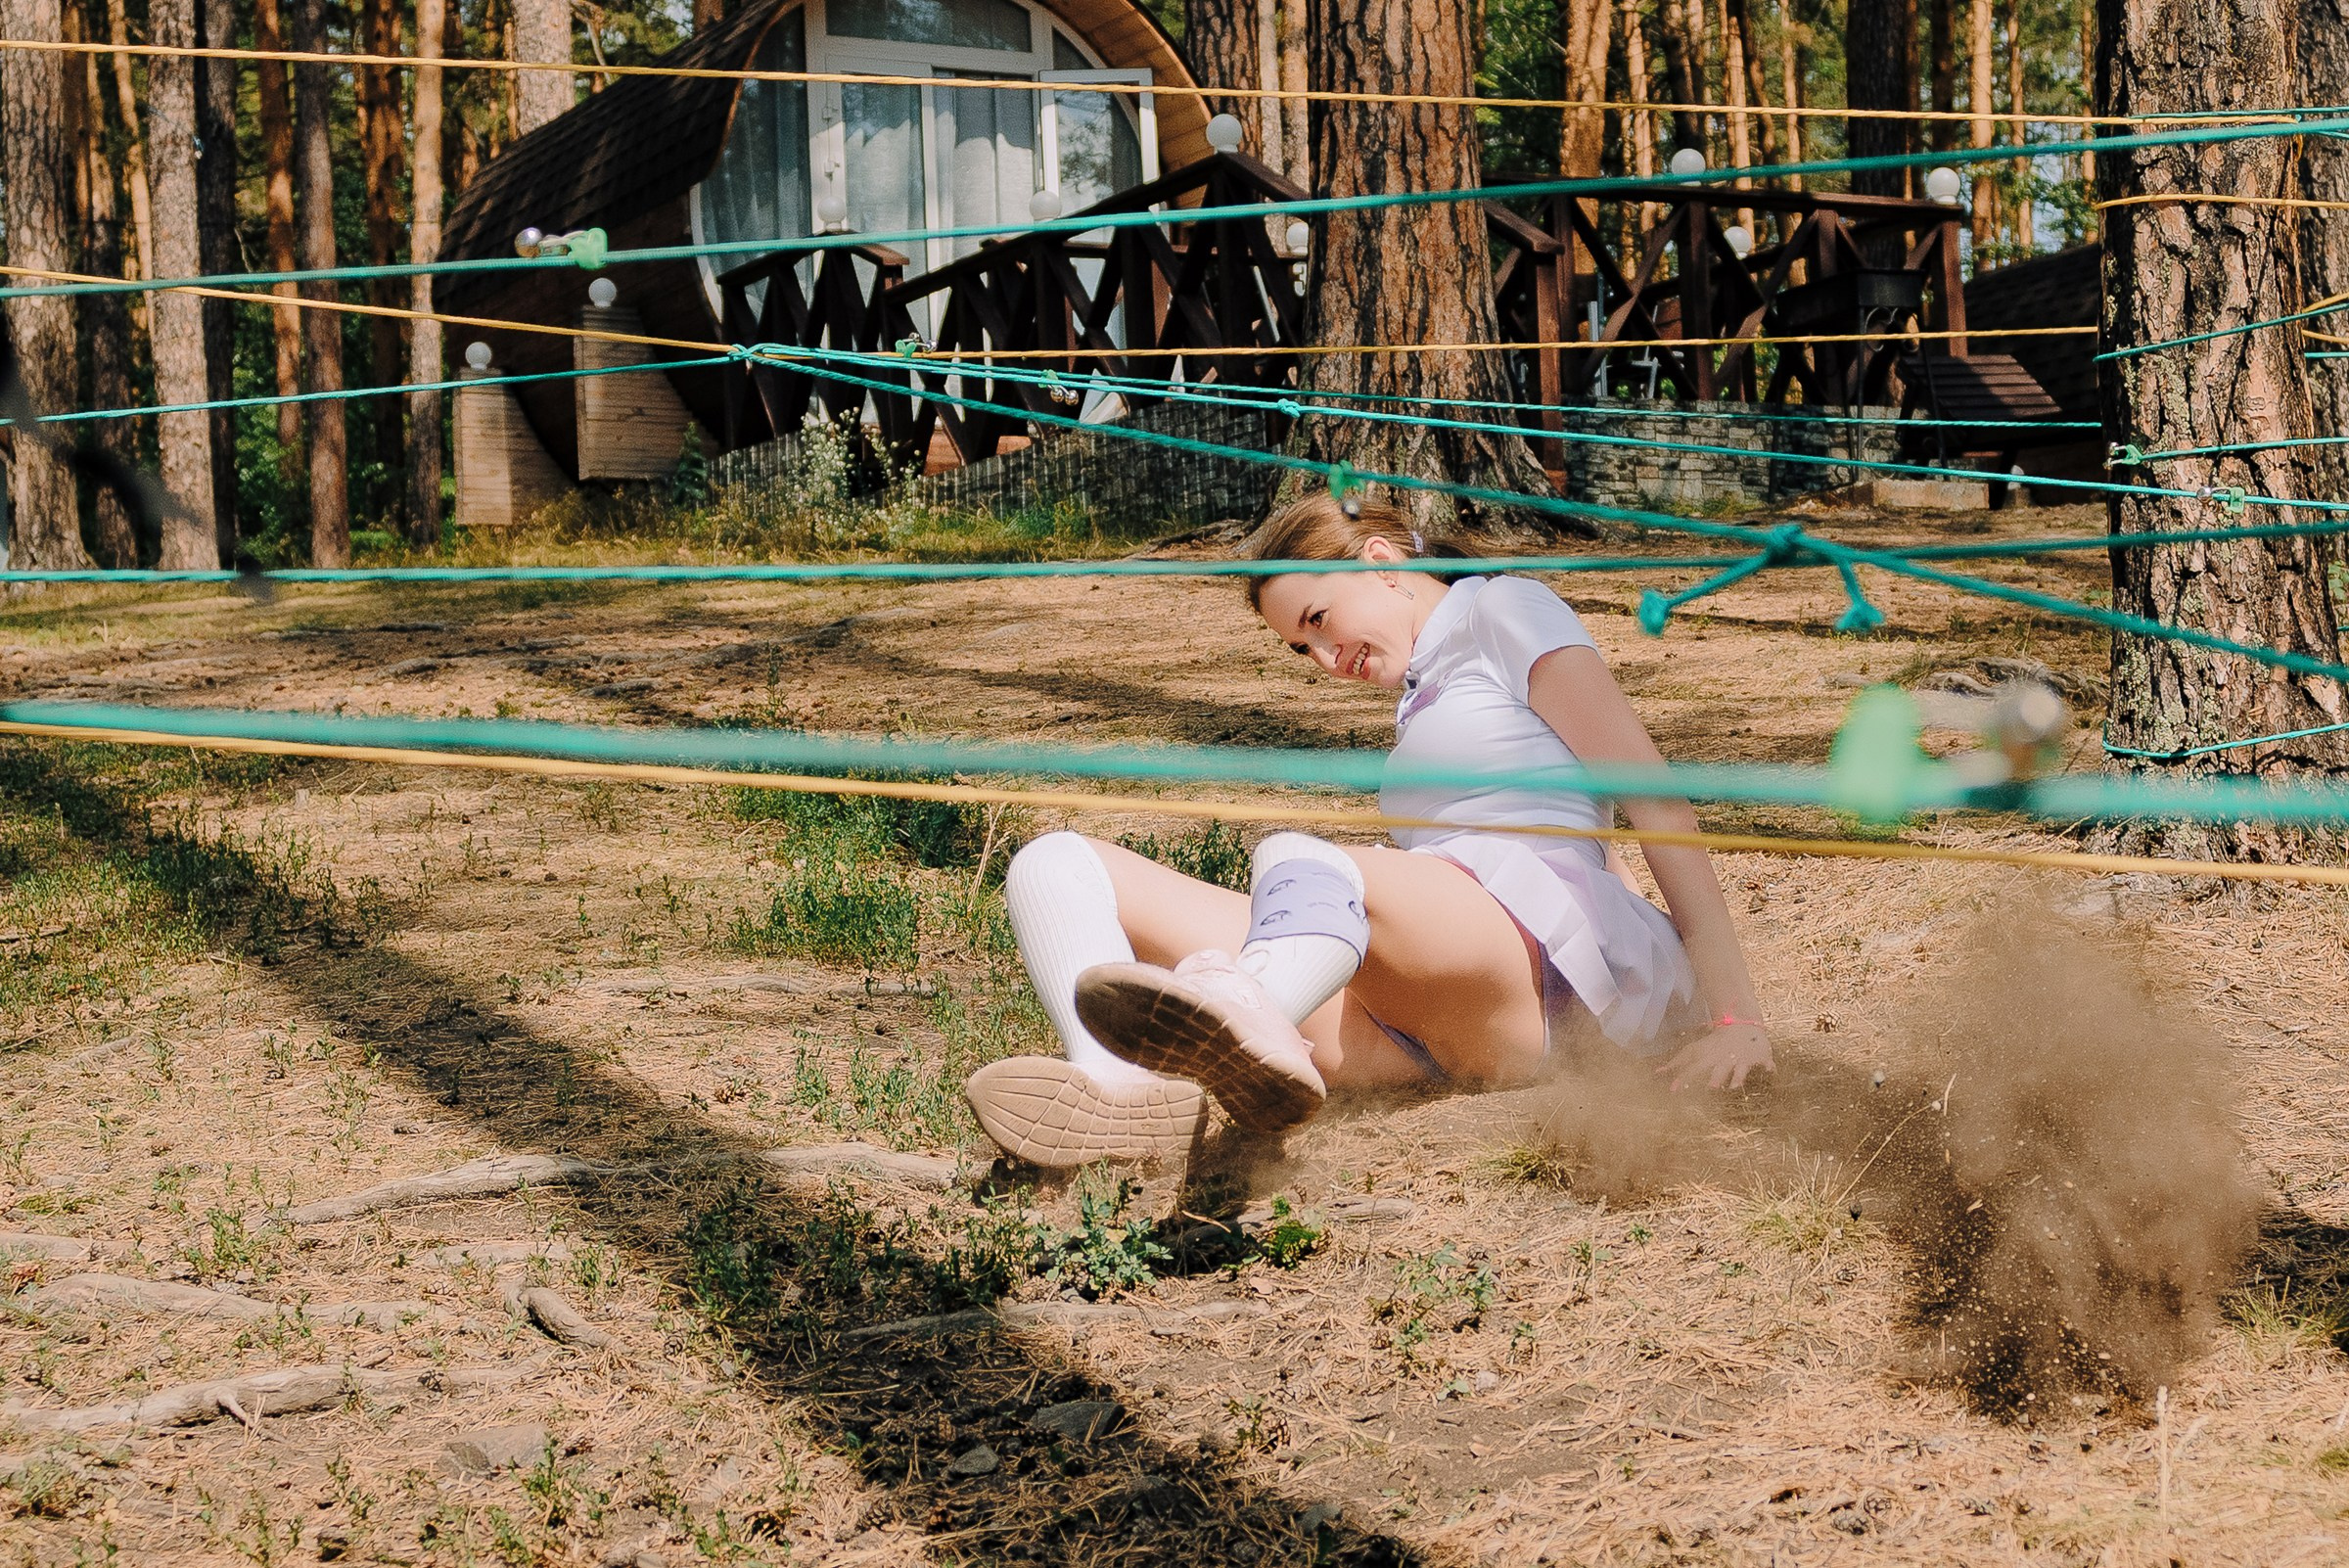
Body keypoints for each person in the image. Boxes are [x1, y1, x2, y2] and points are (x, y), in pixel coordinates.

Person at [963, 492, 1773, 1167]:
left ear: (1381, 565)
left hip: (1544, 983)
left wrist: (1735, 1012)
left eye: (1319, 618)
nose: (1322, 658)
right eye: (1300, 646)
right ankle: (1119, 1103)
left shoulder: (1504, 607)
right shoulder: (1422, 693)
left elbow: (1655, 800)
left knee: (1297, 857)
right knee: (1056, 862)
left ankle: (1246, 1010)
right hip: (1426, 1016)